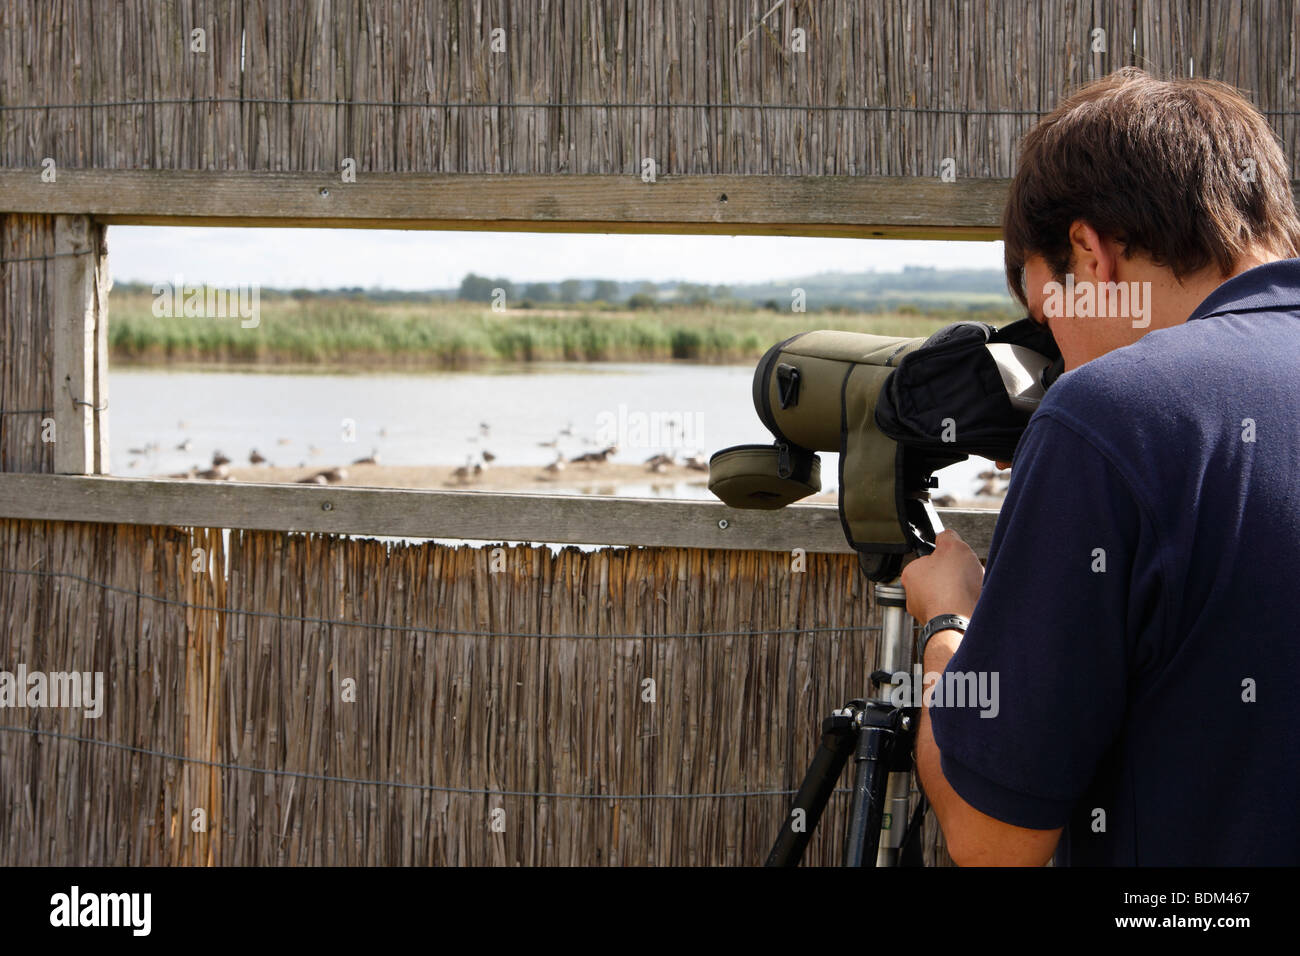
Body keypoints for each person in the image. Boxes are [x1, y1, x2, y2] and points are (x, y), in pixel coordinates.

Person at [900, 67, 1300, 866]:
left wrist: (950, 626)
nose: (1060, 358)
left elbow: (994, 840)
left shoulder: (1115, 413)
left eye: (1050, 316)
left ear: (1089, 254)